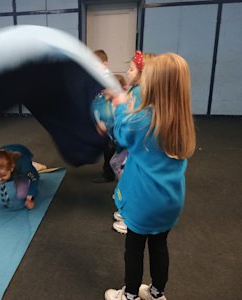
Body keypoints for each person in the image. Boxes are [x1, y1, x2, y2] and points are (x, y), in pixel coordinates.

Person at [103, 53, 196, 300]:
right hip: (170, 201)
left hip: (144, 201)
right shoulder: (181, 119)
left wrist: (122, 105)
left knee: (134, 248)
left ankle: (130, 295)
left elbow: (120, 135)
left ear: (155, 84)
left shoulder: (144, 119)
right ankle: (156, 293)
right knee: (159, 246)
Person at [111, 51, 156, 235]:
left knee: (133, 180)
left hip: (135, 148)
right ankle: (127, 209)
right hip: (136, 148)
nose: (128, 72)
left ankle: (132, 218)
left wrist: (119, 107)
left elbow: (127, 127)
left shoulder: (139, 92)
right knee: (125, 174)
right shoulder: (135, 89)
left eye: (131, 69)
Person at [0, 144, 40, 226]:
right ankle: (2, 175)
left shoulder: (23, 164)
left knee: (21, 195)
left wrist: (30, 197)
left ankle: (33, 166)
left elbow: (35, 178)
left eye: (3, 176)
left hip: (22, 154)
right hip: (5, 154)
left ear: (11, 169)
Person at [92, 49, 116, 183]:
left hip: (109, 121)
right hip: (102, 119)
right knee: (106, 146)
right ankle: (109, 170)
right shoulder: (98, 78)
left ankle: (109, 173)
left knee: (110, 147)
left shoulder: (108, 79)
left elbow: (112, 101)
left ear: (105, 64)